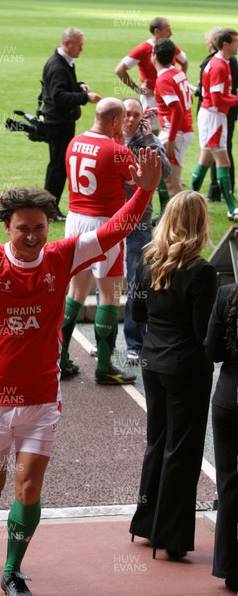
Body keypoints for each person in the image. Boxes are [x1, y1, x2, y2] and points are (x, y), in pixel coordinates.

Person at [0, 142, 161, 596]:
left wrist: (142, 192)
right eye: (23, 228)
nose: (32, 237)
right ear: (7, 226)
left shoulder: (63, 256)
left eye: (40, 228)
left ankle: (12, 572)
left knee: (27, 490)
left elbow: (116, 228)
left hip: (42, 398)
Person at [129, 190, 217, 559]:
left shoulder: (147, 262)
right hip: (187, 368)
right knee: (182, 451)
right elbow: (203, 334)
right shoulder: (202, 272)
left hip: (153, 363)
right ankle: (172, 535)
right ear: (200, 224)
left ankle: (148, 523)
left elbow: (138, 315)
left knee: (157, 443)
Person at [60, 97, 137, 385]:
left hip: (74, 220)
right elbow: (141, 182)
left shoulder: (73, 142)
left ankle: (61, 360)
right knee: (110, 294)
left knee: (76, 291)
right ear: (116, 121)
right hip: (105, 225)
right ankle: (104, 366)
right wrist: (124, 145)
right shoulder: (117, 150)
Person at [121, 97, 171, 365]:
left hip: (139, 223)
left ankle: (134, 343)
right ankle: (102, 339)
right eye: (126, 113)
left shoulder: (149, 141)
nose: (130, 119)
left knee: (135, 283)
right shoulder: (111, 138)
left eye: (136, 114)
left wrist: (150, 139)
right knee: (105, 278)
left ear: (143, 117)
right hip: (110, 221)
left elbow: (165, 172)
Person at [41, 26, 101, 221]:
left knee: (58, 165)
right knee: (58, 167)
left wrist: (77, 86)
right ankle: (49, 209)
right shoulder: (58, 65)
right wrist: (85, 97)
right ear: (68, 44)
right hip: (58, 123)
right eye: (79, 45)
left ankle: (50, 208)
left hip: (59, 121)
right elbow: (58, 96)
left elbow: (60, 89)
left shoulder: (63, 62)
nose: (81, 49)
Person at [204, 284, 238, 594]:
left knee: (229, 484)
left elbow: (212, 351)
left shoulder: (225, 295)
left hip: (228, 398)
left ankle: (230, 567)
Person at [192, 27, 238, 222]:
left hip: (214, 116)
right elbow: (218, 99)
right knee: (222, 160)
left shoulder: (222, 62)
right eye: (236, 41)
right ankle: (232, 208)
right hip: (213, 116)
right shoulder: (219, 66)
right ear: (225, 44)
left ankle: (187, 201)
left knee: (206, 160)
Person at [114, 16, 188, 135]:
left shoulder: (169, 47)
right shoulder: (143, 49)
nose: (171, 33)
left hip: (169, 94)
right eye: (167, 30)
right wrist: (137, 88)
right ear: (156, 31)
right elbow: (120, 70)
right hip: (151, 97)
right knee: (148, 132)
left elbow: (184, 62)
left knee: (166, 128)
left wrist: (179, 81)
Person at [152, 38, 194, 198]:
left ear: (154, 55)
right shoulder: (178, 73)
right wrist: (161, 110)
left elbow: (177, 108)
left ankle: (185, 219)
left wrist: (170, 138)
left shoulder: (163, 79)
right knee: (168, 179)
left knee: (172, 182)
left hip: (176, 133)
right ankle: (169, 215)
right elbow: (187, 101)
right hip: (181, 131)